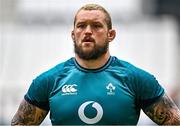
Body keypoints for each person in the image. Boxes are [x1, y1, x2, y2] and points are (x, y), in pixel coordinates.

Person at [11, 3, 180, 125]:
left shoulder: (136, 79)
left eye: (97, 26)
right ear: (73, 34)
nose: (88, 31)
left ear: (111, 34)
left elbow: (173, 121)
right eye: (81, 26)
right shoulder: (48, 81)